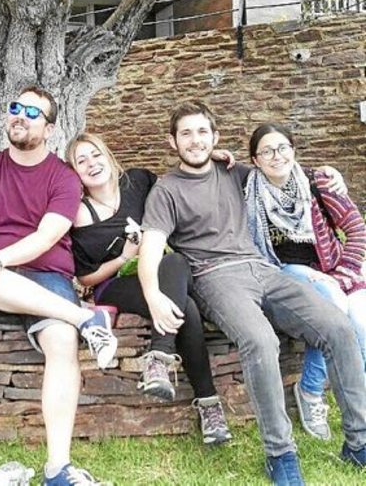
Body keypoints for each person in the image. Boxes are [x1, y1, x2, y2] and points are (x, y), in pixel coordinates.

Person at [137, 100, 366, 485]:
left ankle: (358, 442)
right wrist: (153, 294)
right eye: (186, 133)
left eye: (202, 131)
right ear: (172, 142)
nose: (195, 140)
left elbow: (281, 167)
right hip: (214, 277)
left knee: (339, 328)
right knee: (260, 342)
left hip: (263, 268)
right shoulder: (166, 190)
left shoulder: (235, 172)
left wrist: (327, 174)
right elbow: (150, 248)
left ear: (216, 137)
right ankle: (280, 454)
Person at [0, 87, 118, 486]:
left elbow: (46, 237)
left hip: (46, 273)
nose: (20, 116)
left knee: (61, 341)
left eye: (32, 112)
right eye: (15, 108)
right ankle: (85, 318)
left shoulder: (63, 177)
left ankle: (57, 468)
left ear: (50, 128)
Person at [66, 132, 231, 445]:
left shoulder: (138, 182)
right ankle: (209, 405)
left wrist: (208, 158)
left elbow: (178, 187)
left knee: (175, 263)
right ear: (75, 172)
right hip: (115, 285)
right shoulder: (80, 213)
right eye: (81, 161)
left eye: (96, 154)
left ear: (108, 156)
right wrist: (124, 257)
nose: (91, 164)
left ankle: (159, 358)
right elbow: (86, 278)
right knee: (187, 308)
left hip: (166, 272)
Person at [244, 122, 366, 441]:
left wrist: (344, 272)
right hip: (285, 271)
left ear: (293, 149)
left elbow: (356, 229)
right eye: (267, 151)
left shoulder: (318, 182)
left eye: (283, 147)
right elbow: (214, 164)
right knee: (332, 309)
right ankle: (311, 391)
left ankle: (358, 404)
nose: (277, 156)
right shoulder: (247, 190)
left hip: (338, 270)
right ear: (255, 160)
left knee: (362, 325)